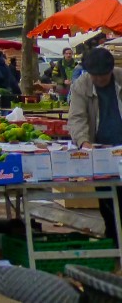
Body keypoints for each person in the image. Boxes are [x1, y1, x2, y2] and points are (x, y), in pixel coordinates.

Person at [68, 48, 122, 242]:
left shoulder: (120, 79)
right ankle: (114, 241)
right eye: (95, 75)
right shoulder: (80, 86)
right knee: (107, 201)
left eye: (103, 75)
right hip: (100, 152)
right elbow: (76, 118)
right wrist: (84, 142)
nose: (99, 79)